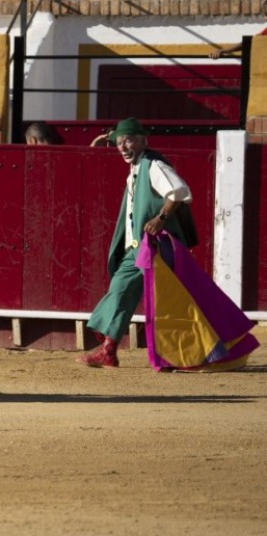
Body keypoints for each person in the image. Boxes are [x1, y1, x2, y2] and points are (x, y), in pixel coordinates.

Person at [78, 117, 196, 368]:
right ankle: (109, 349)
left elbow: (179, 191)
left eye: (129, 140)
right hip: (139, 246)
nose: (123, 146)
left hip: (158, 246)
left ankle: (185, 352)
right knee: (121, 289)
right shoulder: (136, 169)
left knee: (166, 300)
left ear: (144, 141)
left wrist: (161, 217)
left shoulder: (153, 165)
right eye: (119, 142)